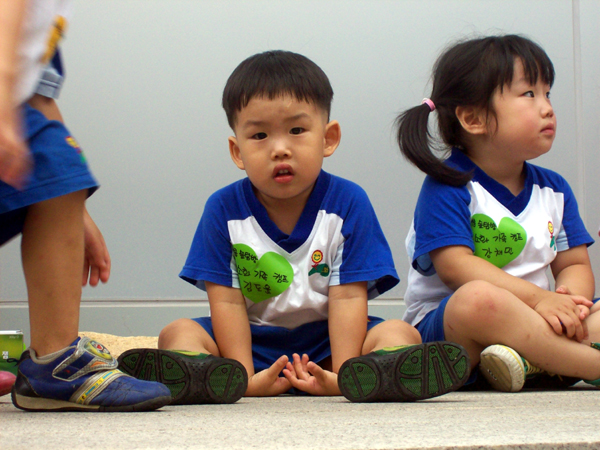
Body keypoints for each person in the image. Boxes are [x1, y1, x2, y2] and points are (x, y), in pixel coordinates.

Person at [118, 50, 470, 403]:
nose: (280, 149)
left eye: (297, 130)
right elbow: (226, 302)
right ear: (237, 151)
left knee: (399, 332)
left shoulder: (348, 202)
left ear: (328, 138)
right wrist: (245, 378)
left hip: (328, 343)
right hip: (250, 342)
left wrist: (341, 375)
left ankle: (367, 376)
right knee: (177, 332)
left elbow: (349, 296)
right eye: (259, 135)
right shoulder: (223, 209)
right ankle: (209, 378)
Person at [395, 34, 599, 392]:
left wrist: (571, 303)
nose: (547, 108)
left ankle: (531, 362)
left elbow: (574, 264)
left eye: (548, 93)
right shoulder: (449, 185)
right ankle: (585, 364)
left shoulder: (554, 189)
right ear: (474, 118)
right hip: (455, 330)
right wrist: (539, 299)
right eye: (529, 94)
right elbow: (457, 268)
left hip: (541, 319)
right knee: (478, 299)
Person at [0, 0, 171, 411]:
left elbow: (40, 97)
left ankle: (55, 363)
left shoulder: (51, 16)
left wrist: (71, 205)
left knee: (58, 161)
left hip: (15, 105)